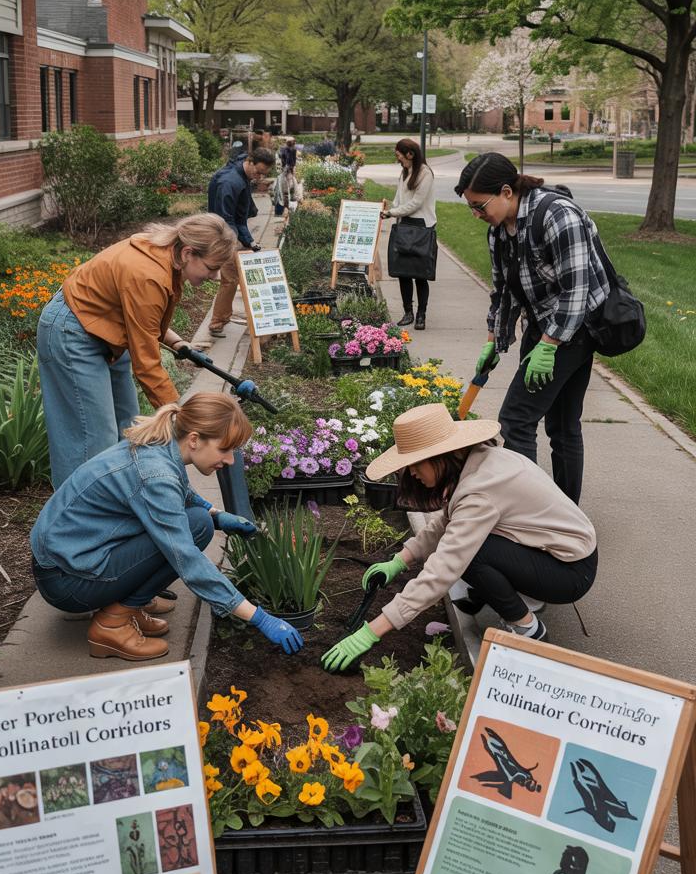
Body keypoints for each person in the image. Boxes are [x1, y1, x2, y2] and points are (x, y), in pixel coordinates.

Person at [321, 402, 597, 673]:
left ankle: (528, 628)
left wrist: (372, 631)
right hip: (553, 550)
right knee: (467, 545)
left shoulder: (479, 492)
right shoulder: (476, 463)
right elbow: (446, 523)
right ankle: (508, 592)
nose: (413, 474)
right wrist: (399, 561)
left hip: (569, 571)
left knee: (471, 555)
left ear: (440, 456)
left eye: (415, 464)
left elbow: (443, 568)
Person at [30, 393, 304, 663]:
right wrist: (259, 617)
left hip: (73, 556)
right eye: (224, 449)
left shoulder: (162, 445)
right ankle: (111, 625)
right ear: (195, 439)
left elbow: (180, 492)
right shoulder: (155, 474)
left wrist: (217, 515)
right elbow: (185, 558)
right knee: (195, 527)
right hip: (68, 581)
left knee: (200, 519)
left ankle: (129, 605)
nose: (231, 460)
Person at [37, 214, 236, 489]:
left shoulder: (168, 252)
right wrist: (182, 417)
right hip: (74, 332)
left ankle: (122, 500)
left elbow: (142, 316)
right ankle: (79, 519)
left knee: (129, 425)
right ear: (189, 252)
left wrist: (177, 342)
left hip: (108, 330)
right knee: (93, 438)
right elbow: (147, 365)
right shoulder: (148, 274)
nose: (215, 276)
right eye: (212, 267)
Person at [454, 153, 610, 504]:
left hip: (577, 327)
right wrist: (494, 339)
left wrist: (550, 344)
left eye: (479, 205)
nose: (477, 215)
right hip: (542, 325)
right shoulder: (499, 232)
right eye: (471, 208)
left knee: (516, 418)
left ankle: (530, 515)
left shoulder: (557, 215)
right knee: (562, 424)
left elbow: (577, 289)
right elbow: (503, 290)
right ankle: (564, 512)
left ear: (507, 192)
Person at [207, 146, 275, 336]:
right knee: (230, 278)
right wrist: (237, 241)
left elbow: (239, 217)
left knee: (237, 276)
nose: (259, 177)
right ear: (250, 162)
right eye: (258, 172)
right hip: (223, 235)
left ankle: (232, 317)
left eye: (264, 174)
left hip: (232, 230)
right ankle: (217, 323)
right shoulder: (229, 182)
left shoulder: (242, 172)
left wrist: (249, 241)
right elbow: (225, 219)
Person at [383, 138, 437, 331]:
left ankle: (421, 315)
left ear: (410, 154)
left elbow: (416, 203)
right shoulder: (404, 172)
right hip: (404, 224)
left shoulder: (425, 174)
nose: (398, 160)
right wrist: (391, 209)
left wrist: (392, 212)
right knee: (403, 273)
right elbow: (400, 198)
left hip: (421, 227)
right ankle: (408, 313)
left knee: (420, 274)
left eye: (399, 156)